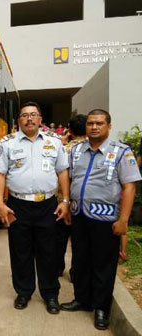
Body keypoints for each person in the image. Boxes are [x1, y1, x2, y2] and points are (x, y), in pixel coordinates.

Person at [60, 109, 141, 330]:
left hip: (106, 220)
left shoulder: (121, 152)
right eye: (90, 123)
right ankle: (82, 300)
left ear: (109, 126)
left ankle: (101, 308)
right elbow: (68, 179)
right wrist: (67, 207)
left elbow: (130, 187)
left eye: (99, 123)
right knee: (81, 260)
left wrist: (123, 219)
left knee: (103, 266)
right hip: (79, 215)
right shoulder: (76, 151)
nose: (94, 127)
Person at [0, 101, 70, 314]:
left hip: (48, 205)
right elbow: (0, 173)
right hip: (18, 205)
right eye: (24, 115)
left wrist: (65, 201)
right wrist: (0, 203)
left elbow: (63, 171)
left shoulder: (54, 143)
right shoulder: (7, 143)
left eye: (33, 115)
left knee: (49, 252)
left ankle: (50, 294)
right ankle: (24, 292)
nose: (29, 118)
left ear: (40, 119)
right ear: (19, 120)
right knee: (20, 251)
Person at [55, 114, 87, 280]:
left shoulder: (63, 149)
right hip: (82, 204)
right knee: (79, 241)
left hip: (61, 201)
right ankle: (76, 271)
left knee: (59, 239)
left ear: (70, 130)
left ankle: (58, 268)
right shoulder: (90, 150)